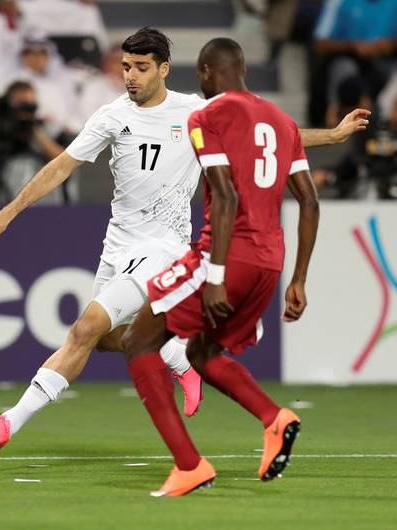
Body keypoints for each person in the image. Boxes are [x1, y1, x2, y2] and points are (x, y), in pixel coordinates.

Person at [0, 27, 369, 454]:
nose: (131, 76)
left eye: (141, 68)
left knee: (84, 328)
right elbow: (62, 166)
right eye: (125, 67)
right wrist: (8, 212)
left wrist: (331, 135)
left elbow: (263, 132)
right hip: (119, 246)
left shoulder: (197, 111)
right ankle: (181, 360)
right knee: (106, 340)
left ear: (162, 69)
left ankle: (8, 422)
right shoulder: (111, 116)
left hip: (165, 248)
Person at [120, 37, 319, 497]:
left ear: (207, 72)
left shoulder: (207, 115)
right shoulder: (283, 122)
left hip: (226, 256)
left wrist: (215, 276)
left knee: (139, 340)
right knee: (201, 353)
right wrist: (300, 279)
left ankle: (189, 465)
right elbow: (309, 202)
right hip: (270, 264)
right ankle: (275, 418)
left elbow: (225, 195)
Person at [313, 0, 397, 125]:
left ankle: (388, 123)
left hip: (382, 59)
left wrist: (390, 44)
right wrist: (354, 46)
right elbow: (319, 44)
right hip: (345, 56)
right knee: (345, 68)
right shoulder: (339, 2)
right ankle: (332, 118)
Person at [14, 33, 82, 134]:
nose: (35, 59)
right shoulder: (15, 81)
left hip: (62, 133)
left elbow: (73, 111)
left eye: (41, 54)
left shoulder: (60, 82)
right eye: (30, 54)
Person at [76, 44, 125, 123]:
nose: (122, 65)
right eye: (117, 61)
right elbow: (89, 116)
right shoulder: (95, 86)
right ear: (108, 63)